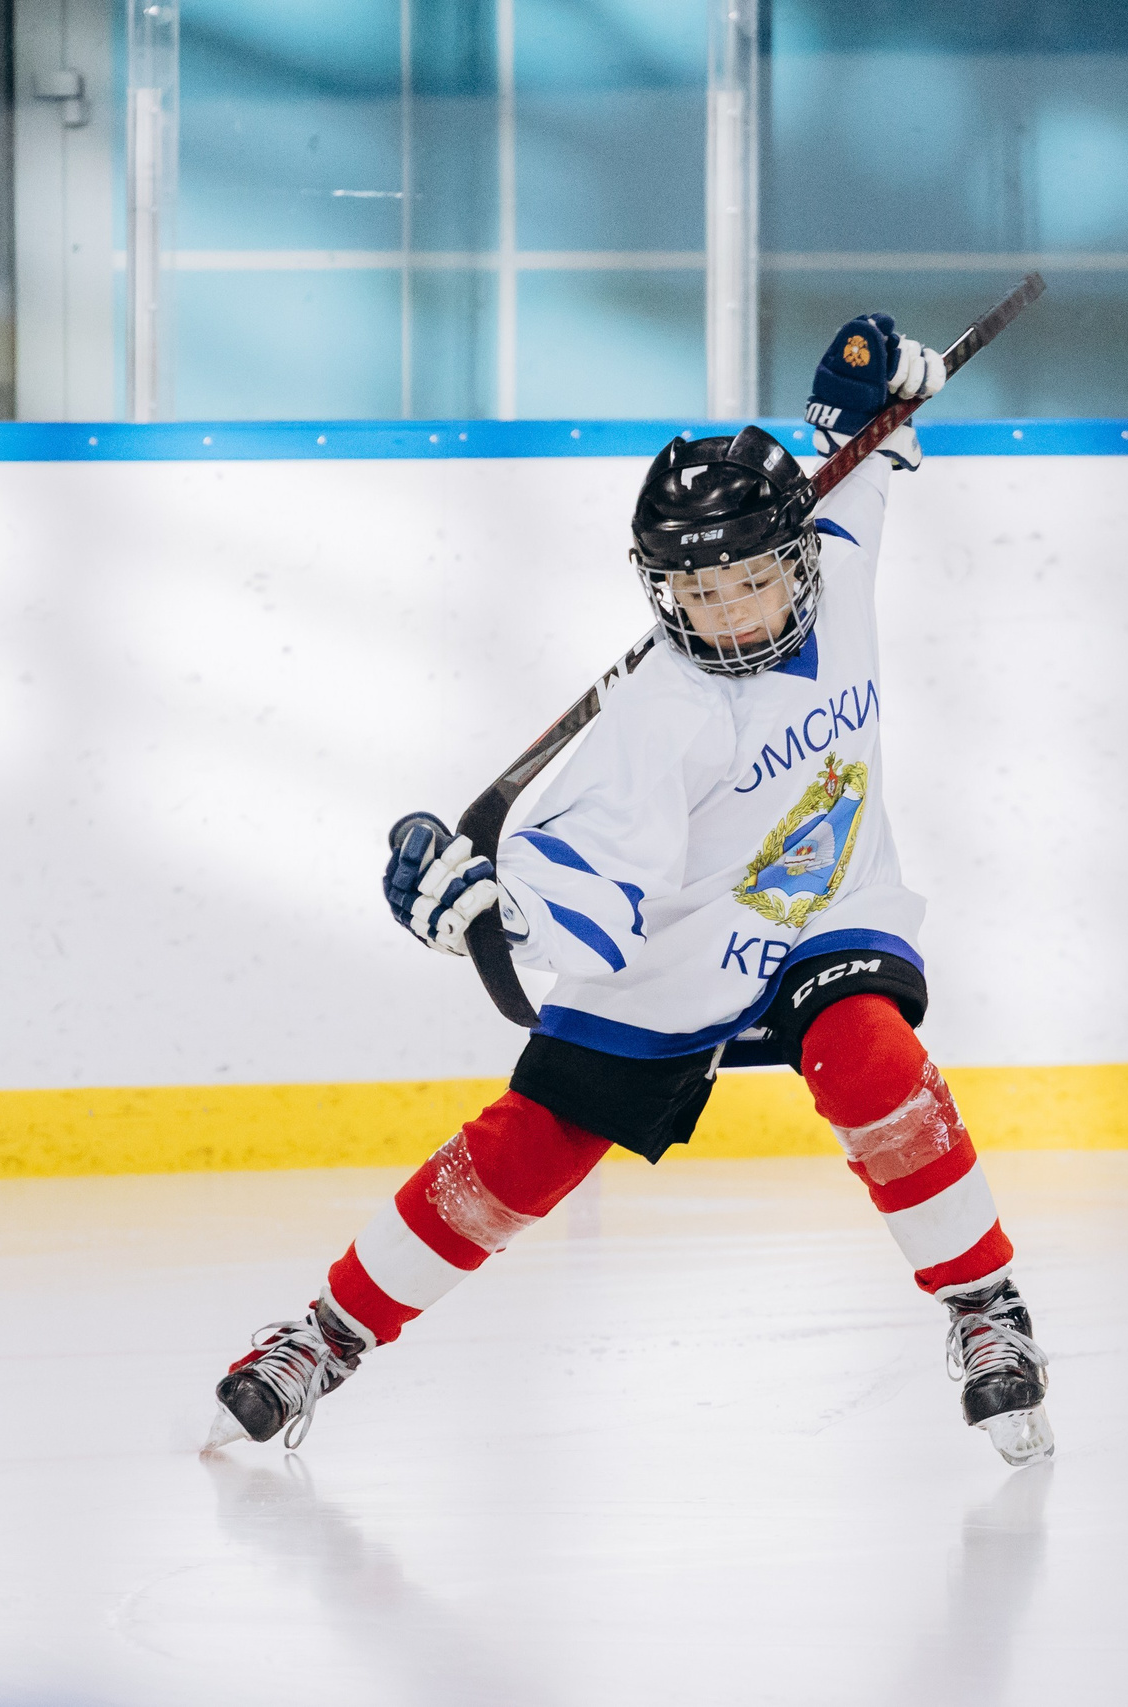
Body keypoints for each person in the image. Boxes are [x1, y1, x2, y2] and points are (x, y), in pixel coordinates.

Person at [208, 313, 1052, 1467]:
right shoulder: (654, 726)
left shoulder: (839, 550)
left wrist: (862, 384)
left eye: (752, 580)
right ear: (661, 594)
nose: (731, 613)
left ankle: (984, 1309)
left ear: (799, 556)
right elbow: (588, 920)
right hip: (681, 952)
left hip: (829, 912)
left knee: (869, 1055)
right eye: (698, 595)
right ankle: (326, 1335)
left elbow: (866, 442)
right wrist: (485, 924)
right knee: (533, 1141)